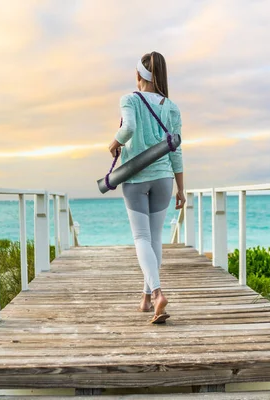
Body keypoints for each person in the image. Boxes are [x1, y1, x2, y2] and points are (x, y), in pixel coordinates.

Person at [108, 51, 185, 324]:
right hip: (164, 178)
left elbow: (127, 128)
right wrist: (181, 189)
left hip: (136, 178)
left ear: (139, 75)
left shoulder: (129, 99)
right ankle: (145, 299)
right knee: (154, 240)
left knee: (141, 239)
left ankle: (157, 293)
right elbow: (176, 152)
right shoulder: (172, 107)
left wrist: (115, 143)